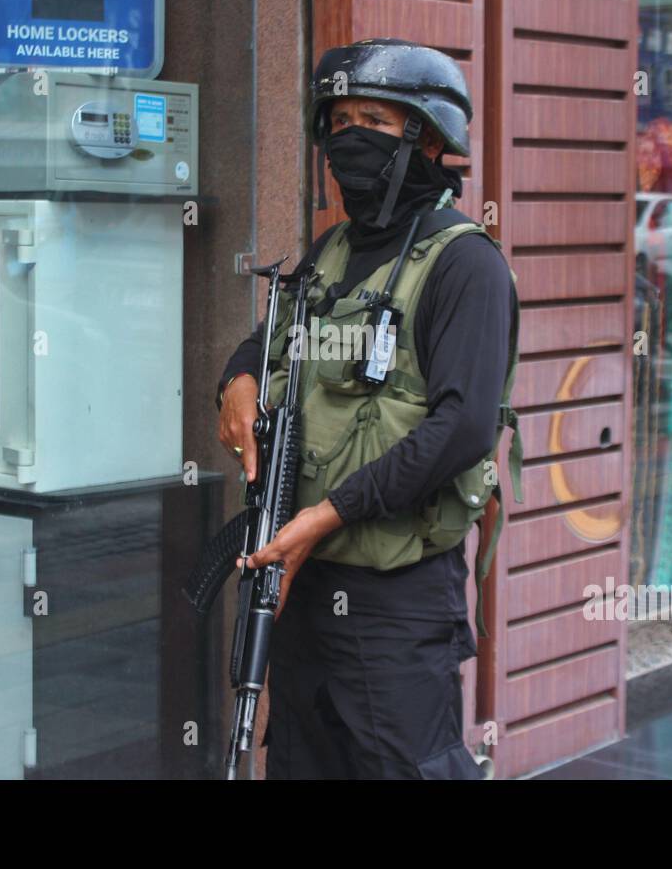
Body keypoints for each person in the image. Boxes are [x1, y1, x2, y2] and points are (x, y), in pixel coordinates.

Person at [214, 38, 520, 779]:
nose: (352, 137)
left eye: (376, 121)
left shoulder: (467, 265)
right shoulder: (329, 253)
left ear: (428, 137)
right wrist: (234, 378)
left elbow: (463, 428)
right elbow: (273, 343)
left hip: (397, 596)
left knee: (405, 767)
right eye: (341, 119)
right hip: (302, 577)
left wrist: (328, 515)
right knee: (300, 762)